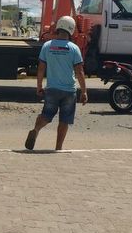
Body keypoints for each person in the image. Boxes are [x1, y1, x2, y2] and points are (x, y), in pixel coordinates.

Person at [25, 16, 88, 151]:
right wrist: (84, 91)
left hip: (52, 89)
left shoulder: (47, 46)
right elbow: (80, 72)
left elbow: (41, 68)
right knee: (64, 120)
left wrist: (39, 86)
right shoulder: (74, 48)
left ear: (58, 27)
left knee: (46, 115)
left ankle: (36, 130)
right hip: (69, 91)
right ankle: (58, 148)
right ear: (71, 30)